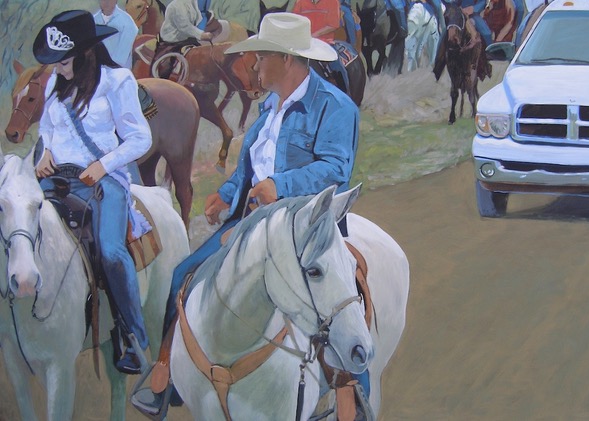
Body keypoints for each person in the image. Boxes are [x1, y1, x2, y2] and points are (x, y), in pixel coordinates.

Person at [132, 12, 362, 418]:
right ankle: (166, 372)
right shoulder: (267, 110)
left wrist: (282, 185)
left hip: (306, 227)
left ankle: (347, 388)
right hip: (254, 224)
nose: (253, 65)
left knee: (331, 302)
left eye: (260, 57)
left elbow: (336, 169)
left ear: (286, 59)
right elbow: (246, 172)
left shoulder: (336, 107)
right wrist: (225, 195)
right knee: (184, 274)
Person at [33, 10, 152, 375]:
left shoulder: (117, 81)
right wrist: (46, 152)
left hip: (101, 182)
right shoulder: (58, 85)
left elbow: (140, 138)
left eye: (64, 61)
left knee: (112, 252)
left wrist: (104, 165)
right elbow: (46, 127)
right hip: (57, 180)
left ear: (85, 53)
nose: (57, 70)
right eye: (55, 63)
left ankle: (133, 337)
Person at [93, 0, 139, 69]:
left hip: (119, 72)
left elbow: (121, 57)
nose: (106, 2)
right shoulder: (93, 20)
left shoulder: (127, 21)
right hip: (97, 70)